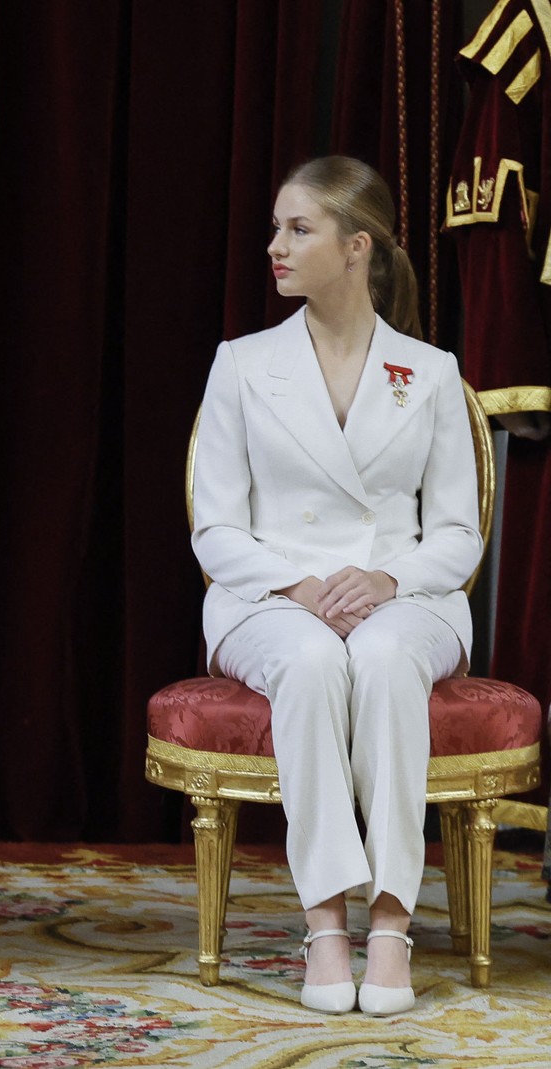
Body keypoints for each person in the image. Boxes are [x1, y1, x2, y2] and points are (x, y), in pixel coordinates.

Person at [191, 156, 482, 1016]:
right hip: (268, 601)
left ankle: (390, 921)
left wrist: (389, 576)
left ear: (357, 247)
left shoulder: (430, 372)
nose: (274, 246)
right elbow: (214, 529)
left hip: (408, 601)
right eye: (277, 227)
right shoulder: (241, 364)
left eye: (298, 228)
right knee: (314, 663)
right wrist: (300, 585)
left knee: (388, 658)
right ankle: (325, 920)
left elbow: (459, 535)